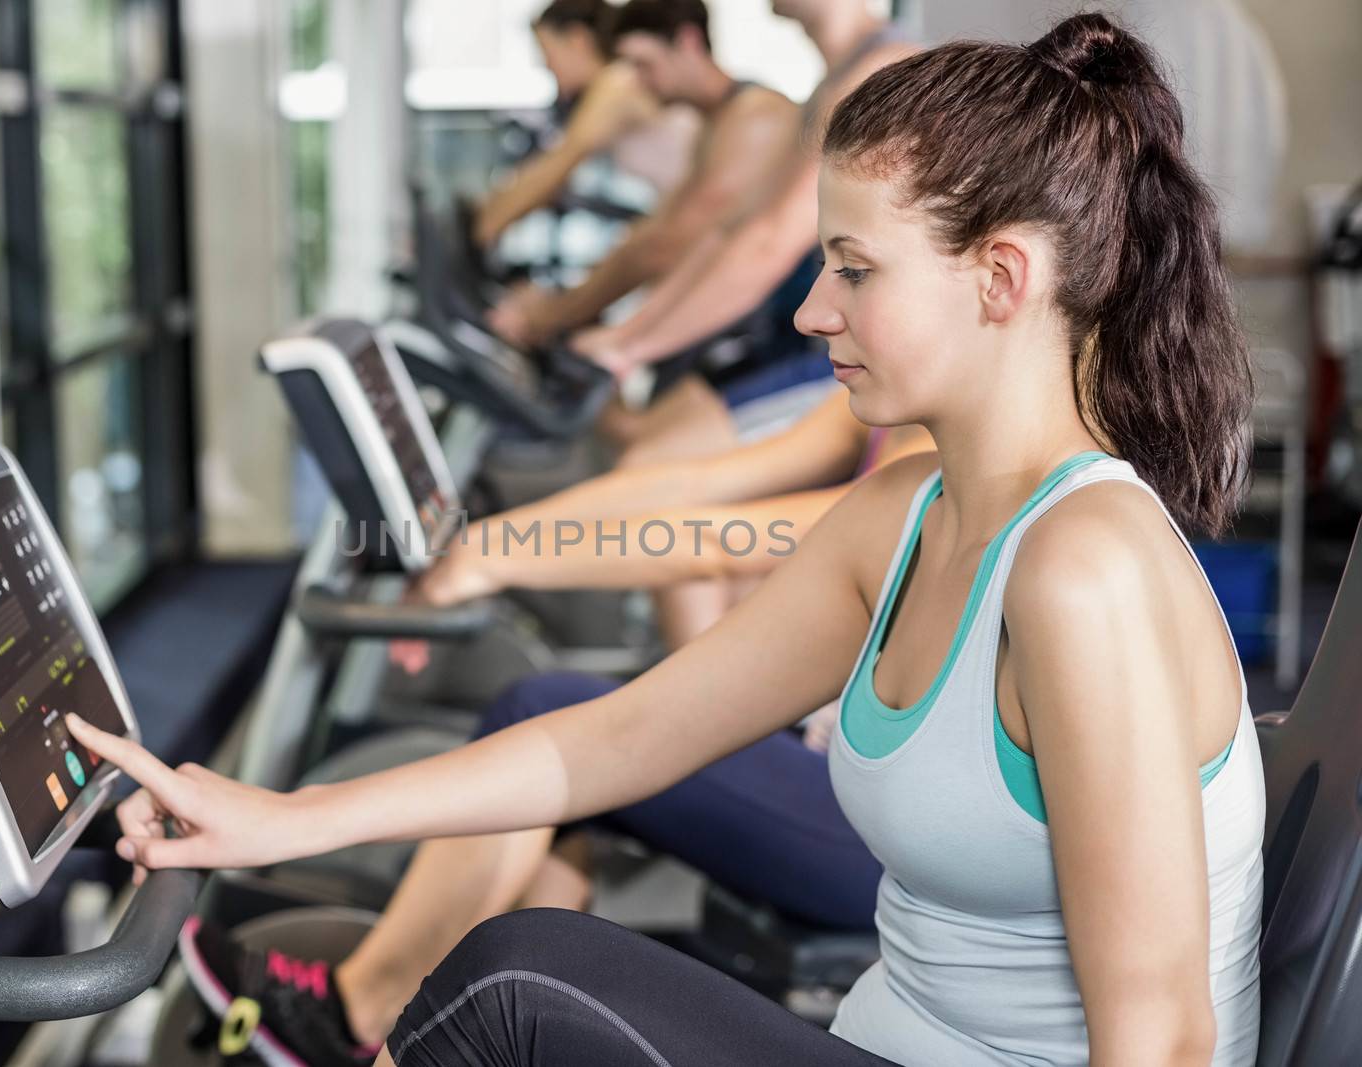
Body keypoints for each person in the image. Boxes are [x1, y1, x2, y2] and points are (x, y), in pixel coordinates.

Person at [72, 14, 1264, 1066]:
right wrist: (282, 817)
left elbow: (1163, 1039)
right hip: (875, 1032)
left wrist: (497, 547)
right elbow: (625, 734)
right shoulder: (906, 515)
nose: (811, 312)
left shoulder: (1082, 568)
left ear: (1000, 278)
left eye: (852, 271)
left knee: (516, 982)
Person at [573, 0, 918, 462]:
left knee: (645, 457)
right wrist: (629, 335)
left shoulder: (882, 71)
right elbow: (736, 230)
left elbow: (771, 241)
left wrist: (630, 346)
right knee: (633, 433)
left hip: (863, 353)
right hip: (806, 337)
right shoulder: (833, 80)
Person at [418, 387, 932, 649]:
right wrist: (490, 539)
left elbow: (719, 545)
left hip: (865, 766)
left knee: (535, 712)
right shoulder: (889, 399)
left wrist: (488, 561)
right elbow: (695, 484)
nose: (813, 315)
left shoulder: (952, 464)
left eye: (857, 273)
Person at [485, 0, 801, 350]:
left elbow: (669, 244)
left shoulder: (756, 117)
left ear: (688, 41)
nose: (634, 80)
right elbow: (658, 233)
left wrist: (559, 314)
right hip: (744, 311)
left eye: (643, 63)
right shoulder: (713, 119)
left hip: (783, 324)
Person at [473, 0, 701, 249]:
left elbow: (559, 163)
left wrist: (489, 221)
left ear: (577, 39)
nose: (546, 66)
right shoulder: (620, 83)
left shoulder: (618, 84)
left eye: (546, 52)